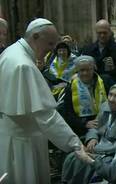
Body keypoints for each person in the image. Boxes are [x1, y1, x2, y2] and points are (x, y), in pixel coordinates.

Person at [0, 18, 82, 184]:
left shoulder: (10, 52)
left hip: (9, 135)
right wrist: (75, 144)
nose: (52, 50)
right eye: (50, 44)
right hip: (23, 143)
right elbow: (46, 115)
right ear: (35, 36)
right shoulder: (23, 65)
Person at [61, 83, 116, 184]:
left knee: (89, 164)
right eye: (110, 94)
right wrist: (92, 138)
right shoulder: (105, 107)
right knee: (72, 157)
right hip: (98, 147)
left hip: (112, 154)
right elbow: (94, 127)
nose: (111, 99)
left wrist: (100, 150)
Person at [59, 55, 107, 137]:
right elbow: (67, 113)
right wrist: (84, 124)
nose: (85, 73)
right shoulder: (70, 87)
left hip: (103, 123)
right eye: (82, 70)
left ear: (94, 68)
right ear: (77, 71)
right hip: (80, 126)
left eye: (88, 70)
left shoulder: (105, 81)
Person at [81, 19, 116, 92]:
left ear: (110, 32)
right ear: (96, 33)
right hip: (91, 88)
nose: (102, 35)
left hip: (113, 89)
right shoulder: (87, 50)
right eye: (99, 33)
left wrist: (113, 69)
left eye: (105, 33)